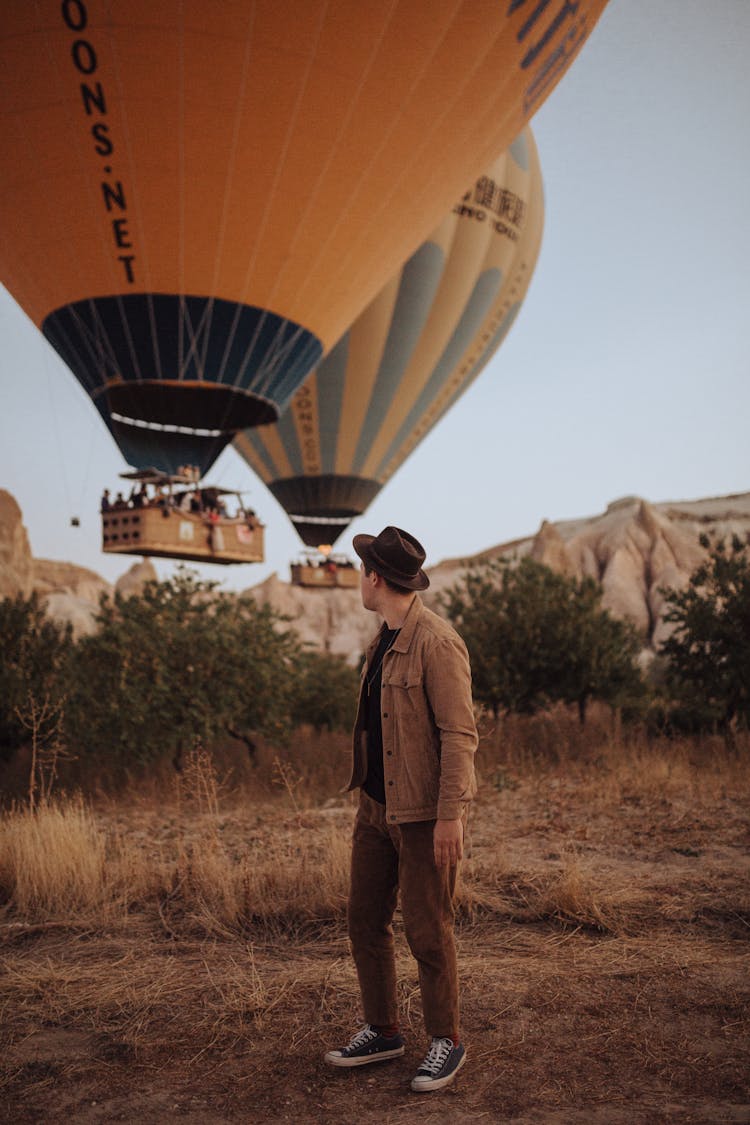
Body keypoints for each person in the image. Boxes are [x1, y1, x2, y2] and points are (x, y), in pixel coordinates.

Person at [324, 526, 477, 1093]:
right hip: (374, 810)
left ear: (376, 579)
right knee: (364, 922)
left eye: (361, 571)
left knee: (428, 930)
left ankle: (446, 1040)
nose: (357, 580)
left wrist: (449, 816)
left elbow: (460, 734)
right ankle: (383, 1029)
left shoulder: (437, 643)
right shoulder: (381, 638)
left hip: (422, 817)